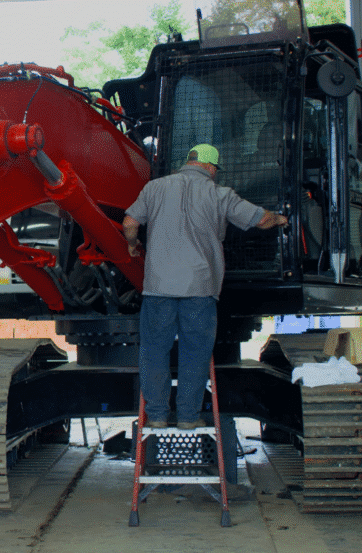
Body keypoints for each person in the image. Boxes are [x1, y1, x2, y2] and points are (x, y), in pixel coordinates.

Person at [122, 144, 288, 429]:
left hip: (159, 288)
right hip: (199, 289)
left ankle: (158, 415)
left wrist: (133, 245)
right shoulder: (220, 193)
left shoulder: (155, 188)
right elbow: (260, 219)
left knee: (154, 352)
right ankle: (187, 417)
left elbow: (129, 223)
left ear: (189, 161)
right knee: (195, 354)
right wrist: (280, 218)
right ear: (211, 168)